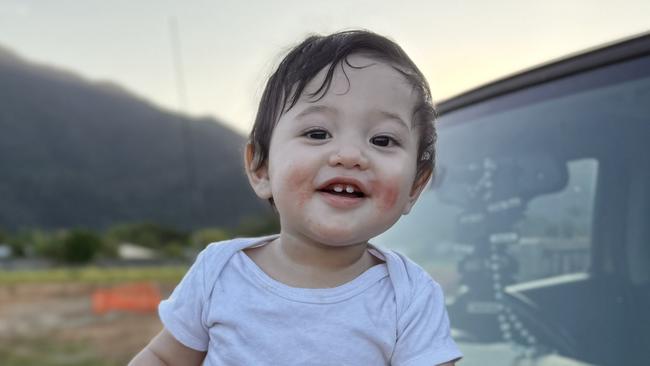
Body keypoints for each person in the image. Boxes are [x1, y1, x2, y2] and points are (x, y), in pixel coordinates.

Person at [130, 29, 462, 366]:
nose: (349, 155)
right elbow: (164, 358)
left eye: (383, 140)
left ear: (415, 187)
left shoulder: (409, 297)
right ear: (261, 169)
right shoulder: (219, 272)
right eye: (318, 133)